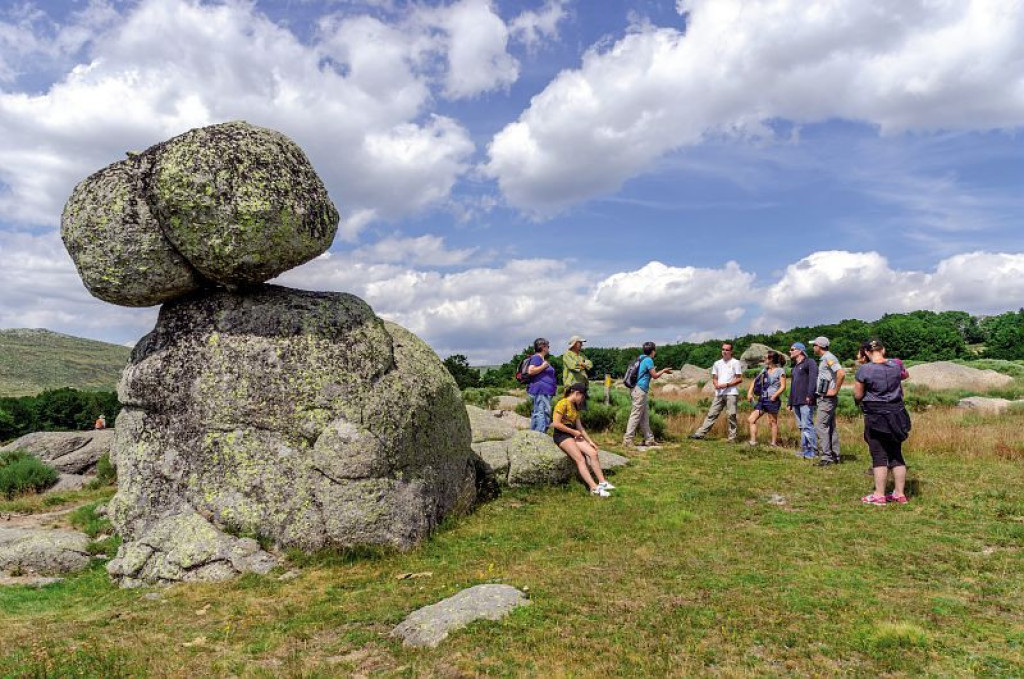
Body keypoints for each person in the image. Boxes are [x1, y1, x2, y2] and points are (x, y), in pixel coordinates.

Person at [854, 339, 912, 505]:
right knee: (896, 453)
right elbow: (905, 375)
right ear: (883, 349)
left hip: (876, 415)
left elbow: (858, 394)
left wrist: (859, 402)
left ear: (866, 352)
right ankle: (899, 494)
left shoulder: (864, 369)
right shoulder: (896, 365)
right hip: (897, 413)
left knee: (879, 454)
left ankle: (879, 495)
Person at [552, 383, 613, 497]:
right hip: (562, 435)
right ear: (576, 393)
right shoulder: (562, 403)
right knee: (580, 459)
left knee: (593, 453)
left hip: (573, 434)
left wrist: (590, 441)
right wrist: (573, 432)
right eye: (583, 396)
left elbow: (580, 427)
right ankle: (593, 488)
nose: (583, 399)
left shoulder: (575, 406)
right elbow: (556, 424)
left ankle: (602, 482)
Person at [623, 342, 673, 449]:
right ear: (653, 351)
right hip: (640, 390)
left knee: (644, 416)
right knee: (636, 415)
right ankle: (628, 440)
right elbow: (655, 376)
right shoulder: (649, 360)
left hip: (636, 389)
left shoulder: (640, 358)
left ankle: (649, 439)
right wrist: (663, 370)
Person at [689, 343, 744, 442]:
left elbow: (739, 379)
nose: (724, 351)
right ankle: (700, 434)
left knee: (732, 415)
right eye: (723, 349)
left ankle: (732, 438)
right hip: (719, 393)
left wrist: (726, 385)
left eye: (727, 350)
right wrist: (716, 384)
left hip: (731, 393)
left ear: (731, 351)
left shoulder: (735, 362)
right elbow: (714, 378)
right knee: (711, 414)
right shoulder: (717, 363)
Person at [810, 336, 845, 466]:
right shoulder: (825, 358)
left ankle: (826, 457)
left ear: (819, 346)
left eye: (814, 345)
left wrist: (835, 390)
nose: (813, 347)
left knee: (820, 426)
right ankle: (834, 455)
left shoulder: (829, 358)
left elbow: (841, 373)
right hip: (825, 398)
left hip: (827, 399)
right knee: (830, 426)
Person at [746, 350, 786, 447]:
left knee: (772, 422)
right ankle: (753, 442)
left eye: (765, 357)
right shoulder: (764, 370)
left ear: (771, 359)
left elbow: (783, 386)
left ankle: (773, 444)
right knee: (751, 419)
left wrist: (775, 396)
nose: (764, 359)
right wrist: (749, 393)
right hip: (762, 399)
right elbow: (754, 381)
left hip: (772, 399)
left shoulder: (780, 371)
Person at [787, 342, 818, 459]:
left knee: (807, 425)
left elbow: (813, 379)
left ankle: (813, 452)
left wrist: (810, 395)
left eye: (792, 349)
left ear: (800, 351)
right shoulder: (795, 367)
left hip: (806, 400)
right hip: (796, 401)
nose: (789, 351)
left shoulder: (810, 362)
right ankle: (805, 450)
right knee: (801, 427)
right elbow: (793, 385)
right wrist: (790, 402)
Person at [526, 337, 557, 433]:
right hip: (541, 391)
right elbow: (531, 371)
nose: (549, 348)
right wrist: (543, 366)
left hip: (543, 392)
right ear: (543, 347)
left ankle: (536, 435)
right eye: (548, 346)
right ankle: (540, 435)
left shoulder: (540, 358)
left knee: (541, 413)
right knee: (542, 413)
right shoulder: (537, 357)